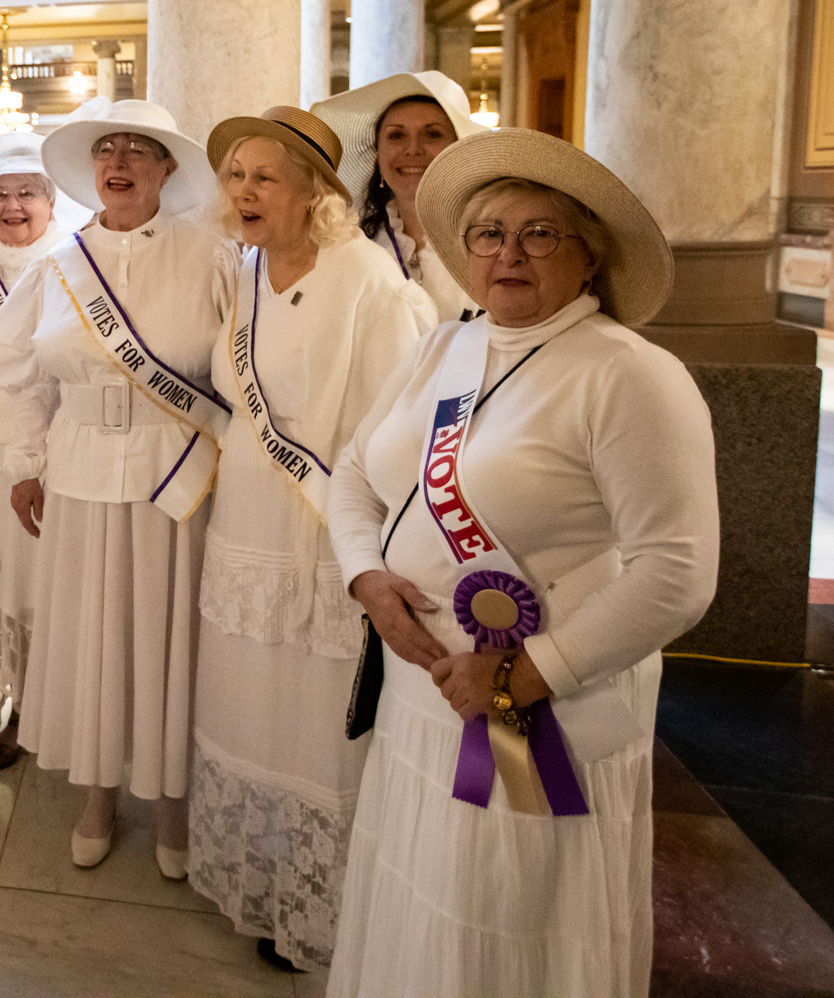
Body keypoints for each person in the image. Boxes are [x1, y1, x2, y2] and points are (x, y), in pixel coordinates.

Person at [325, 129, 717, 997]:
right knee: (426, 888)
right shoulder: (444, 347)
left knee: (509, 909)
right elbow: (355, 472)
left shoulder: (629, 375)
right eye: (489, 231)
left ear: (589, 257)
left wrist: (527, 671)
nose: (508, 252)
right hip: (425, 693)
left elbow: (677, 571)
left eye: (540, 233)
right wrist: (366, 574)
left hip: (533, 712)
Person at [189, 106, 434, 973]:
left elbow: (398, 430)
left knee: (313, 722)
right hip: (245, 528)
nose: (244, 191)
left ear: (315, 191)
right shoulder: (247, 271)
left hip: (325, 542)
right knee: (250, 702)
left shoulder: (368, 280)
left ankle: (321, 899)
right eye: (235, 175)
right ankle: (259, 875)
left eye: (265, 176)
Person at [0, 97, 226, 878]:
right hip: (81, 468)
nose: (119, 162)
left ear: (167, 168)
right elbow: (20, 375)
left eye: (138, 150)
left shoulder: (212, 256)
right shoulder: (60, 265)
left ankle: (176, 802)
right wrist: (25, 461)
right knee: (93, 633)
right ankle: (98, 793)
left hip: (174, 475)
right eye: (106, 150)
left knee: (167, 633)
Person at [0, 131, 90, 771]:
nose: (13, 206)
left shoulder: (76, 263)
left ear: (52, 200)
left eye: (27, 192)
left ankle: (40, 709)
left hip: (50, 451)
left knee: (36, 586)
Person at [312, 70, 485, 323]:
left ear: (458, 148)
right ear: (377, 153)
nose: (413, 149)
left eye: (432, 134)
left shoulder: (491, 243)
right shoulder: (352, 245)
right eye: (396, 135)